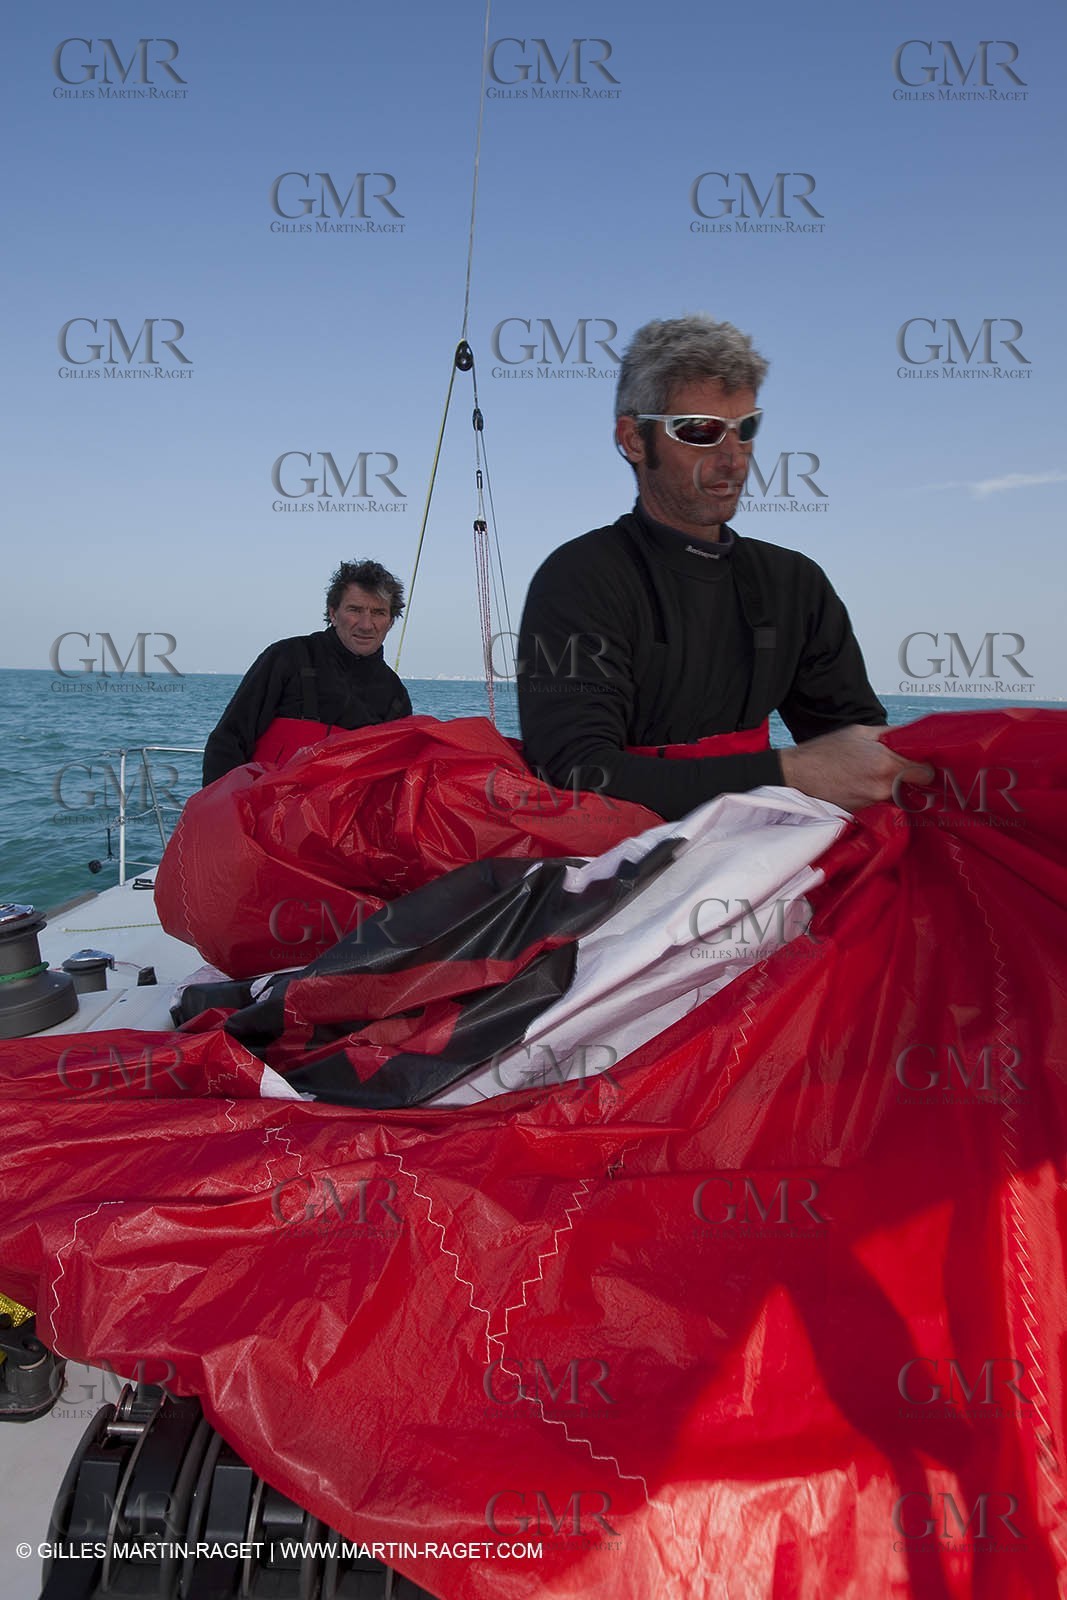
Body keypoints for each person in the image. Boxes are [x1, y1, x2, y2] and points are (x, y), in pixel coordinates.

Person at [517, 315, 931, 820]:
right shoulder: (579, 578)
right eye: (701, 430)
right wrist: (790, 773)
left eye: (746, 428)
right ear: (633, 439)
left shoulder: (795, 585)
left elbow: (857, 744)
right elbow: (575, 771)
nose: (733, 458)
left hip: (765, 848)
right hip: (617, 857)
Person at [202, 558, 412, 785]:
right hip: (263, 803)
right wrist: (222, 803)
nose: (366, 624)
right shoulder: (287, 657)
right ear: (333, 613)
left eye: (378, 613)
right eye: (355, 610)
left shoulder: (396, 695)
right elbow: (228, 741)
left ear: (391, 622)